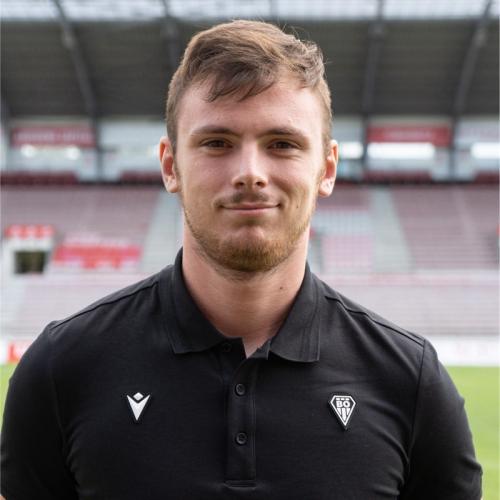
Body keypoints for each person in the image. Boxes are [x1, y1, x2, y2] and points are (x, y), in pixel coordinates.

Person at [1, 20, 482, 500]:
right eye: (217, 143)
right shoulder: (61, 369)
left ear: (327, 168)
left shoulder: (411, 383)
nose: (250, 173)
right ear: (170, 165)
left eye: (282, 144)